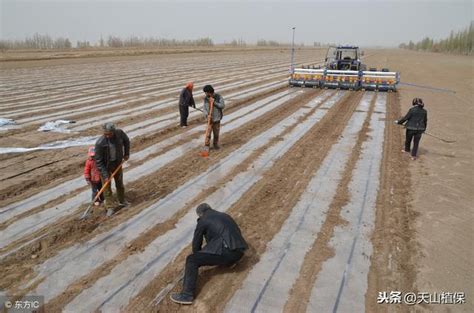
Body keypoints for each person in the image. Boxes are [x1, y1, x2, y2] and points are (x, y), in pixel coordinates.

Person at [170, 203, 248, 305]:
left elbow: (196, 243)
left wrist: (198, 256)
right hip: (239, 252)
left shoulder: (203, 220)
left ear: (200, 214)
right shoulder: (224, 215)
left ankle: (186, 295)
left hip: (227, 252)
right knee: (217, 252)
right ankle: (230, 262)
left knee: (192, 260)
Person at [95, 122, 130, 215]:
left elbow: (126, 141)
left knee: (120, 184)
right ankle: (110, 207)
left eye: (109, 134)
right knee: (106, 188)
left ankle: (122, 201)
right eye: (105, 134)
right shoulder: (99, 143)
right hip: (105, 167)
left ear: (113, 132)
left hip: (117, 163)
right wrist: (105, 175)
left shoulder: (120, 134)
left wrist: (126, 153)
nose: (107, 136)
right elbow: (98, 161)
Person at [202, 85, 225, 149]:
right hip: (209, 119)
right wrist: (207, 114)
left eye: (206, 92)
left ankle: (215, 145)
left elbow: (222, 106)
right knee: (208, 134)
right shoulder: (206, 98)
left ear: (210, 92)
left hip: (217, 118)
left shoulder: (218, 97)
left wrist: (214, 102)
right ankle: (206, 146)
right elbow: (204, 108)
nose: (205, 94)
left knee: (216, 134)